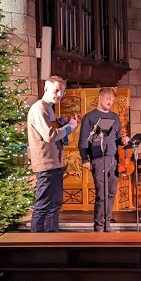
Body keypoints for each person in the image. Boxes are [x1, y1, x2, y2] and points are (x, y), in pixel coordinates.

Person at [27, 75, 78, 232]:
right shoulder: (39, 109)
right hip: (45, 164)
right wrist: (69, 128)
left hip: (54, 163)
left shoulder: (49, 109)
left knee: (54, 205)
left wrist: (61, 123)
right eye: (57, 91)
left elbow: (53, 130)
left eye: (62, 92)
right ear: (46, 88)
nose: (60, 95)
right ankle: (36, 243)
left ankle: (51, 239)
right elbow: (49, 135)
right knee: (43, 205)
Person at [78, 88, 129, 232]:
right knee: (101, 194)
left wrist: (123, 140)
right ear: (100, 98)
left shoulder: (115, 117)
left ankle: (107, 224)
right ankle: (99, 226)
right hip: (99, 159)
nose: (110, 102)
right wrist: (85, 159)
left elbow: (117, 139)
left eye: (112, 100)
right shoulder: (90, 117)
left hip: (113, 159)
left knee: (112, 193)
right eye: (108, 98)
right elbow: (83, 141)